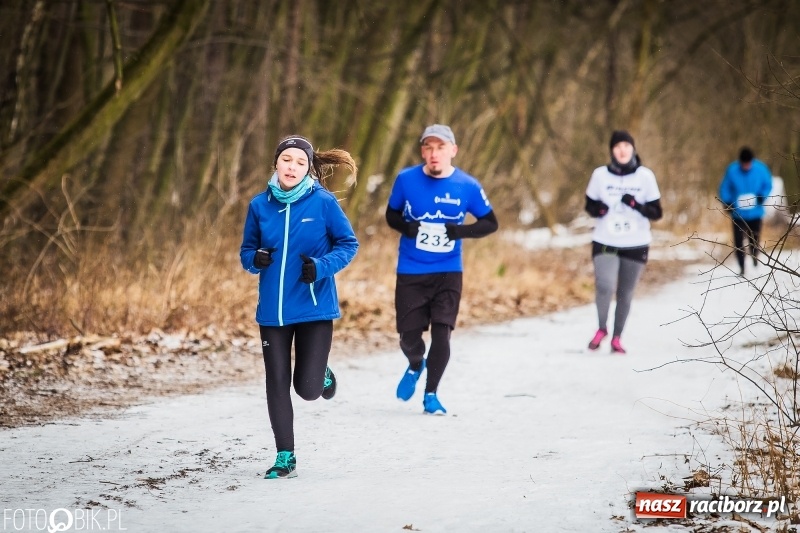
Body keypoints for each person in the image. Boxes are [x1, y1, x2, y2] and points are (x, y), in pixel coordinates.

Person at [240, 135, 359, 479]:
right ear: (276, 163)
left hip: (314, 308)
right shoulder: (259, 205)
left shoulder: (322, 202)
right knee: (276, 381)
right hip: (273, 313)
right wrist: (255, 259)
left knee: (307, 390)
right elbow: (246, 252)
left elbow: (348, 244)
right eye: (287, 159)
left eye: (300, 162)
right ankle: (285, 456)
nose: (292, 167)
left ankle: (320, 373)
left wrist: (322, 267)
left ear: (309, 168)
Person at [385, 124, 498, 414]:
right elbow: (391, 214)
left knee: (442, 334)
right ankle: (414, 364)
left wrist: (460, 232)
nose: (434, 154)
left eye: (440, 148)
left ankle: (431, 394)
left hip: (448, 271)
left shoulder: (467, 185)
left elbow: (490, 222)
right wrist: (406, 227)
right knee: (408, 338)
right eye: (429, 148)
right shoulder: (406, 179)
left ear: (453, 150)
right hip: (410, 270)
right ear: (423, 151)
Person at [584, 130, 662, 354]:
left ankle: (617, 337)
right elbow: (589, 205)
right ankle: (601, 329)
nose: (622, 150)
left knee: (625, 293)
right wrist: (598, 209)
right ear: (612, 151)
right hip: (605, 240)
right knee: (604, 285)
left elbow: (657, 212)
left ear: (633, 149)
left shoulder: (645, 176)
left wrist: (636, 205)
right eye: (617, 146)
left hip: (636, 243)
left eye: (626, 146)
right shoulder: (600, 175)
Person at [718, 146, 772, 276]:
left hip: (755, 213)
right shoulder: (732, 170)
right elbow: (724, 188)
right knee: (738, 242)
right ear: (740, 162)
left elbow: (768, 185)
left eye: (748, 164)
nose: (746, 166)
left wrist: (761, 196)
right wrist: (727, 202)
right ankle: (742, 266)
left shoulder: (761, 169)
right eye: (744, 164)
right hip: (738, 214)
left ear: (752, 161)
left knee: (754, 239)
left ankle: (754, 254)